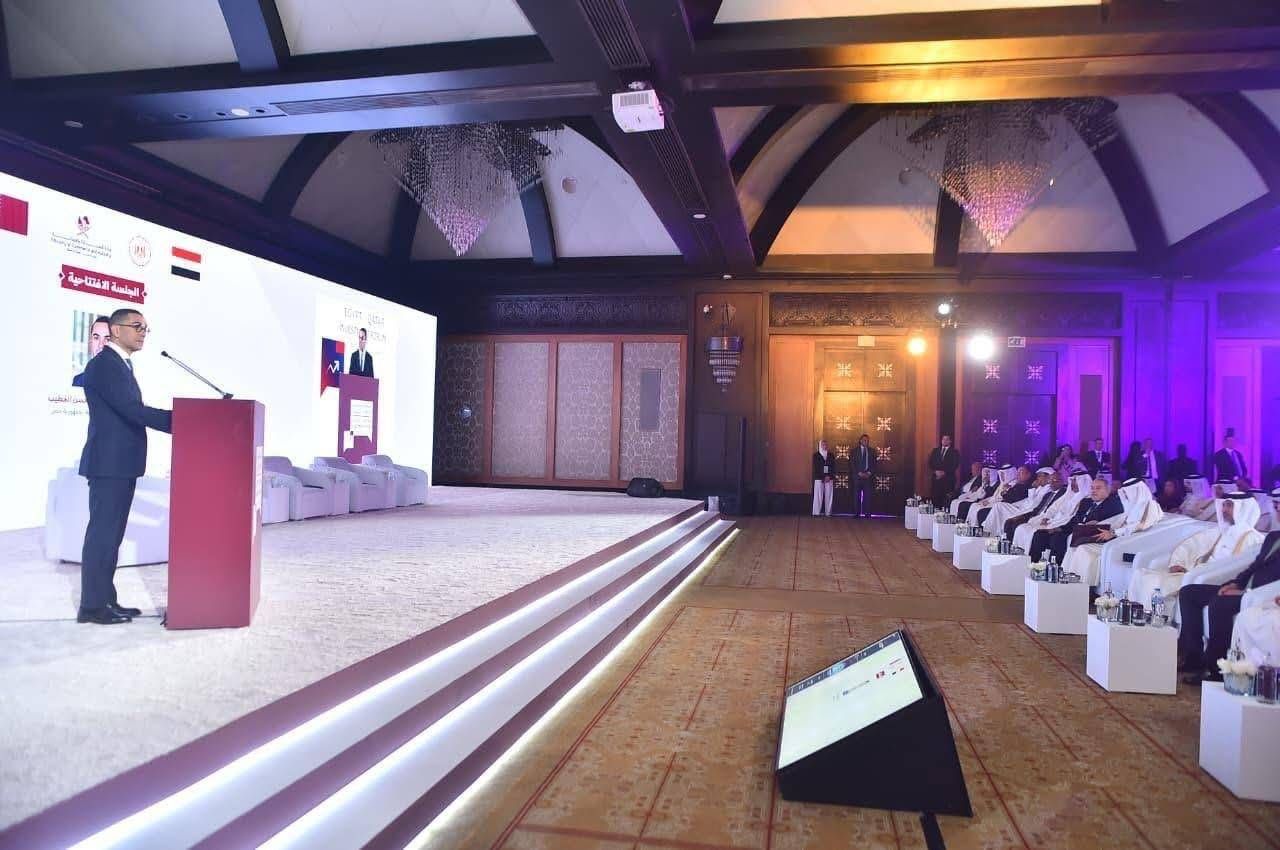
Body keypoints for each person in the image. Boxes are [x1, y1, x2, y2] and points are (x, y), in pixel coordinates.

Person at [78, 309, 172, 625]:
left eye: (145, 328)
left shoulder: (119, 364)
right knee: (103, 536)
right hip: (109, 464)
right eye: (137, 326)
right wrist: (178, 420)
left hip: (120, 464)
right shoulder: (105, 364)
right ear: (116, 330)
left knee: (111, 537)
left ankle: (106, 600)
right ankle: (92, 607)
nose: (143, 332)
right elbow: (131, 410)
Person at [1178, 529, 1280, 684]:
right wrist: (1235, 584)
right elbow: (1254, 567)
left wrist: (1245, 592)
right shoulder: (1274, 537)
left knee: (1219, 604)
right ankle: (1194, 658)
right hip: (1244, 589)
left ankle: (1217, 671)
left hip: (1261, 596)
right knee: (1188, 593)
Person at [1127, 493, 1262, 608]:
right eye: (1224, 505)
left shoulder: (1252, 538)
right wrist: (1178, 563)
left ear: (1243, 509)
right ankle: (1134, 615)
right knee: (1140, 575)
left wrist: (1200, 572)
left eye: (1229, 506)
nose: (1224, 510)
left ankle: (1151, 619)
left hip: (1210, 578)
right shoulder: (1222, 530)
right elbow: (1192, 545)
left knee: (1153, 582)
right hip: (1195, 572)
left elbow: (1239, 569)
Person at [1062, 477, 1163, 587]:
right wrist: (1102, 527)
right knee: (1077, 546)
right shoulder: (1132, 506)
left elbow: (1141, 526)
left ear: (1137, 491)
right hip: (1120, 538)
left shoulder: (1151, 506)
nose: (1126, 495)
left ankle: (1084, 586)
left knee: (1084, 550)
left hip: (1131, 543)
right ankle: (1067, 580)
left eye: (1128, 493)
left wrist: (1114, 533)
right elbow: (1120, 520)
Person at [1041, 477, 1122, 567]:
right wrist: (1059, 528)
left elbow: (1111, 523)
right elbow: (1075, 519)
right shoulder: (1086, 502)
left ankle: (1059, 568)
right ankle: (1044, 566)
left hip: (1091, 535)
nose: (1094, 491)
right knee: (1045, 534)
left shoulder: (1114, 504)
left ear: (1108, 490)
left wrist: (1095, 523)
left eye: (1098, 488)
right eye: (1092, 488)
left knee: (1058, 539)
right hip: (1075, 530)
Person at [1015, 469, 1092, 555]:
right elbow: (1053, 508)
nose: (1072, 483)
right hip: (1054, 520)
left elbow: (1074, 517)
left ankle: (1034, 559)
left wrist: (1058, 526)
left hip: (1063, 523)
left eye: (1075, 481)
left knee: (1037, 534)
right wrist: (1047, 517)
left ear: (1083, 482)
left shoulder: (1085, 499)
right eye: (1072, 480)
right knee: (1023, 528)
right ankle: (1020, 554)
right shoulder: (1068, 495)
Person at [982, 466, 1051, 537]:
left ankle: (988, 532)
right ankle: (993, 533)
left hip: (1026, 511)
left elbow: (1033, 503)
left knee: (998, 506)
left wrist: (1032, 488)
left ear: (1048, 477)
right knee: (998, 506)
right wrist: (1014, 505)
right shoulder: (1040, 487)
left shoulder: (1048, 489)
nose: (1038, 478)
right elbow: (1025, 500)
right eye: (1038, 476)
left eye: (1040, 476)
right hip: (1020, 507)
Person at [1003, 471, 1065, 540]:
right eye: (1051, 480)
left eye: (1055, 481)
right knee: (1011, 522)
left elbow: (1054, 511)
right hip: (1035, 516)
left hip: (1046, 519)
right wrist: (1024, 516)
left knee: (1022, 528)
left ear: (1061, 481)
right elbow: (1037, 509)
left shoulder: (1063, 494)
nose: (1052, 483)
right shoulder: (1048, 494)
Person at [975, 465, 1035, 533]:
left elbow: (1013, 498)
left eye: (1021, 473)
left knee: (994, 507)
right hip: (1007, 506)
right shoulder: (1017, 484)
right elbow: (1006, 496)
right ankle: (988, 531)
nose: (1018, 475)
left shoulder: (1028, 486)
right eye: (1017, 473)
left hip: (1016, 508)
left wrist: (1006, 492)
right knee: (982, 510)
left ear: (1028, 475)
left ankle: (988, 531)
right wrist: (1005, 492)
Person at [72, 315, 110, 388]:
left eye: (107, 339)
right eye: (96, 338)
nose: (101, 345)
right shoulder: (78, 381)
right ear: (91, 341)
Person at [927, 435, 960, 507]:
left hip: (948, 479)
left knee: (946, 500)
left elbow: (955, 464)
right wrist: (936, 471)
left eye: (947, 439)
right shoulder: (935, 451)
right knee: (935, 498)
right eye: (943, 439)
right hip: (936, 479)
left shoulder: (954, 452)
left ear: (950, 441)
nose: (944, 441)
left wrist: (944, 472)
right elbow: (930, 463)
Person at [852, 434, 875, 517]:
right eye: (864, 440)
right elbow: (852, 464)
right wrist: (858, 473)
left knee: (867, 496)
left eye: (867, 440)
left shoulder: (872, 451)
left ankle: (867, 513)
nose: (866, 441)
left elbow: (874, 463)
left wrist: (869, 473)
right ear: (860, 440)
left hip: (868, 477)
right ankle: (857, 513)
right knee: (856, 495)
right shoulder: (854, 451)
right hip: (857, 477)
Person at [812, 440, 834, 517]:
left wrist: (829, 476)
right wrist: (823, 477)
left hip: (829, 478)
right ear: (820, 446)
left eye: (826, 444)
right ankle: (816, 512)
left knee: (829, 495)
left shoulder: (831, 455)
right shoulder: (816, 455)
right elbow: (816, 467)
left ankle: (828, 512)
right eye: (823, 444)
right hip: (819, 478)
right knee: (818, 495)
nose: (825, 446)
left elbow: (833, 467)